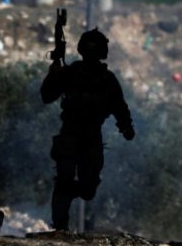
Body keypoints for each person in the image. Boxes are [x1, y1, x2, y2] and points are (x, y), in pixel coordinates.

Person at [41, 28, 134, 231]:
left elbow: (119, 105)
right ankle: (60, 227)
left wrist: (126, 126)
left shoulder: (107, 80)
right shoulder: (69, 73)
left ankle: (64, 205)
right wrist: (54, 71)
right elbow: (47, 96)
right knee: (64, 181)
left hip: (91, 136)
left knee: (88, 188)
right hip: (70, 134)